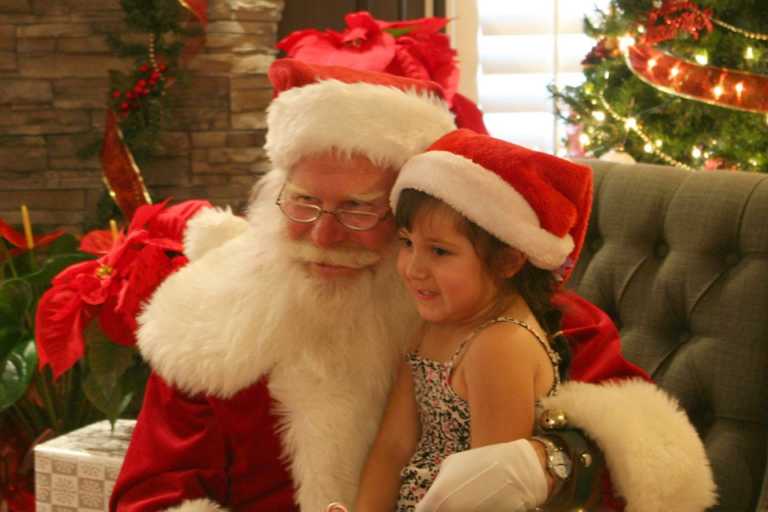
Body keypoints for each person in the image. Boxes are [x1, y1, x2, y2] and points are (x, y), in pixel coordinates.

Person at [110, 59, 716, 512]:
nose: (321, 238)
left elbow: (652, 453)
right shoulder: (211, 314)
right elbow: (151, 494)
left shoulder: (519, 316)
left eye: (357, 210)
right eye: (302, 203)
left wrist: (550, 462)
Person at [353, 129, 591, 512]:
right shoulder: (438, 322)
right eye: (407, 243)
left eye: (440, 252)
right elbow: (393, 446)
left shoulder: (500, 346)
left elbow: (486, 495)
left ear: (509, 260)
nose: (413, 268)